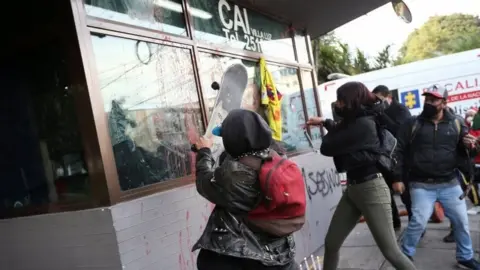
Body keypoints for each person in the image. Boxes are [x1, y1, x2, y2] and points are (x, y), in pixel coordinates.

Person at [308, 81, 416, 270]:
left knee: (391, 252)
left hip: (371, 189)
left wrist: (329, 125)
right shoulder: (358, 120)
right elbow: (343, 133)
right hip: (354, 189)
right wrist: (326, 122)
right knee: (332, 243)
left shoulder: (364, 124)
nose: (337, 105)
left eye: (341, 101)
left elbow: (328, 146)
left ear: (352, 101)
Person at [192, 109, 299, 270]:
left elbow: (204, 183)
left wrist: (204, 152)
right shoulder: (278, 158)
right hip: (280, 251)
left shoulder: (235, 174)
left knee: (207, 261)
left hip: (246, 254)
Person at [394, 85, 480, 269]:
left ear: (444, 103)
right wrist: (397, 178)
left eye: (434, 100)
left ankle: (465, 257)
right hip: (421, 184)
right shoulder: (413, 124)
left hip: (449, 183)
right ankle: (405, 255)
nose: (429, 103)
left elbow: (467, 153)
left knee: (461, 221)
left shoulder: (456, 123)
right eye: (427, 99)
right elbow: (398, 151)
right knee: (418, 221)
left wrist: (471, 147)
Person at [372, 85, 412, 230]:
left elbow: (400, 131)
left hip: (400, 158)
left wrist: (382, 114)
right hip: (384, 158)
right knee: (387, 193)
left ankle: (415, 225)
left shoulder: (400, 110)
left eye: (379, 99)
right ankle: (395, 223)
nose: (378, 103)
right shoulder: (377, 112)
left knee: (405, 193)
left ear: (388, 97)